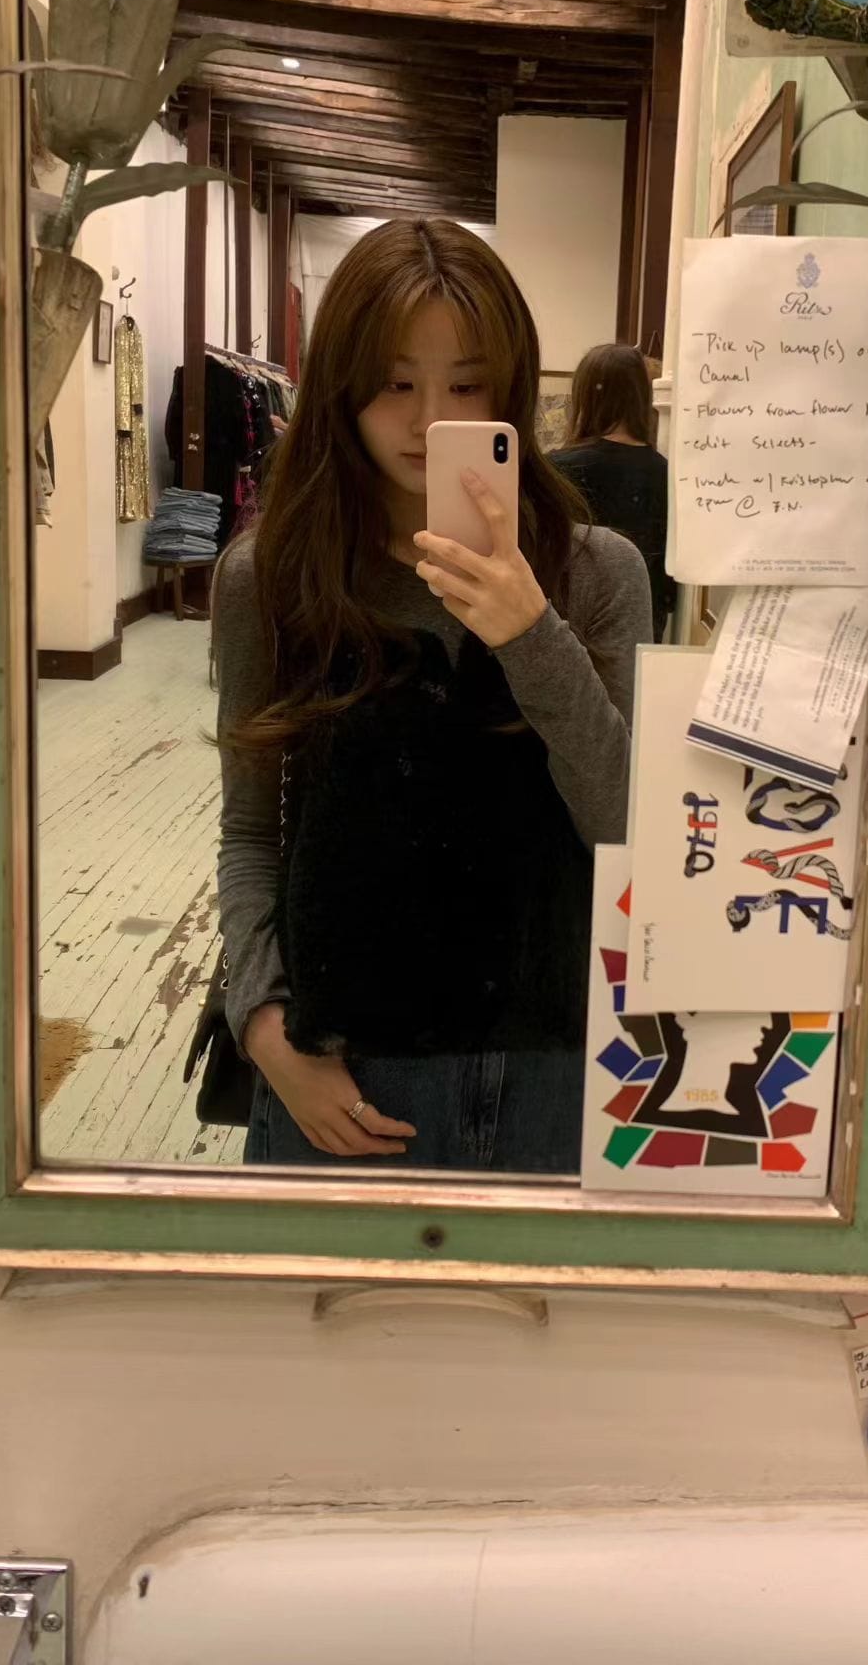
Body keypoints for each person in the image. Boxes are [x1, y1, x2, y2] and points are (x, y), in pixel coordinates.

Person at [214, 218, 652, 1175]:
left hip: (559, 1072)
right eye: (394, 383)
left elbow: (626, 828)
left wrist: (531, 635)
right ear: (341, 387)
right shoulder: (271, 577)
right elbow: (251, 832)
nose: (425, 421)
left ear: (512, 388)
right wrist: (266, 1031)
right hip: (341, 1073)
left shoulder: (596, 572)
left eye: (465, 385)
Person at [551, 342, 674, 641]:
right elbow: (668, 586)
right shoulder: (668, 475)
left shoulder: (555, 470)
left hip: (568, 628)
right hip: (642, 630)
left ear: (583, 395)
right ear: (642, 396)